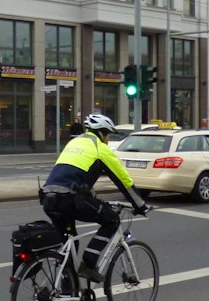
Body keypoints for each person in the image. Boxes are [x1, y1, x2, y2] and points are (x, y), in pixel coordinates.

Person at [40, 113, 149, 284]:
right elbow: (123, 181)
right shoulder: (100, 148)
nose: (107, 140)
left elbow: (73, 175)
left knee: (70, 246)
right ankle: (89, 263)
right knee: (112, 220)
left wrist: (92, 197)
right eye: (108, 135)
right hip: (69, 200)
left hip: (49, 198)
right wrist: (140, 205)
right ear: (102, 133)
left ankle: (67, 299)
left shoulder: (73, 143)